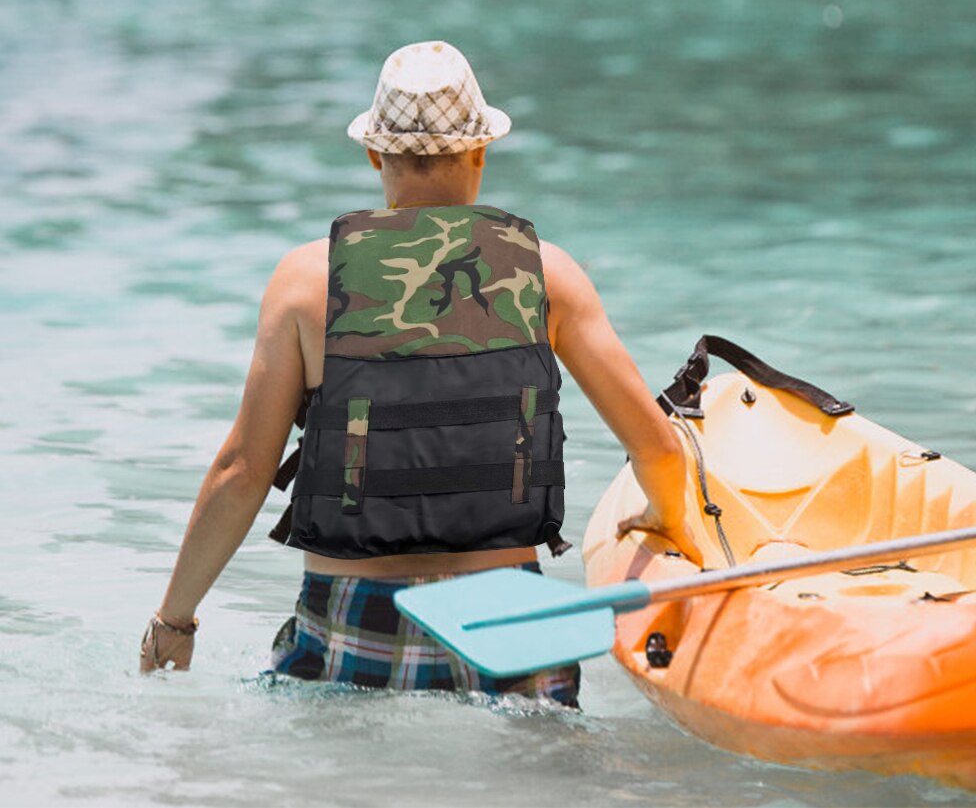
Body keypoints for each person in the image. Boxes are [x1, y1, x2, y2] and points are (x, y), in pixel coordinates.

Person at [140, 41, 697, 707]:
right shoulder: (550, 275)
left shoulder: (305, 283)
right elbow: (656, 448)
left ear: (375, 153)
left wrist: (174, 620)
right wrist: (676, 541)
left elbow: (241, 472)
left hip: (355, 614)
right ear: (481, 151)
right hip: (509, 618)